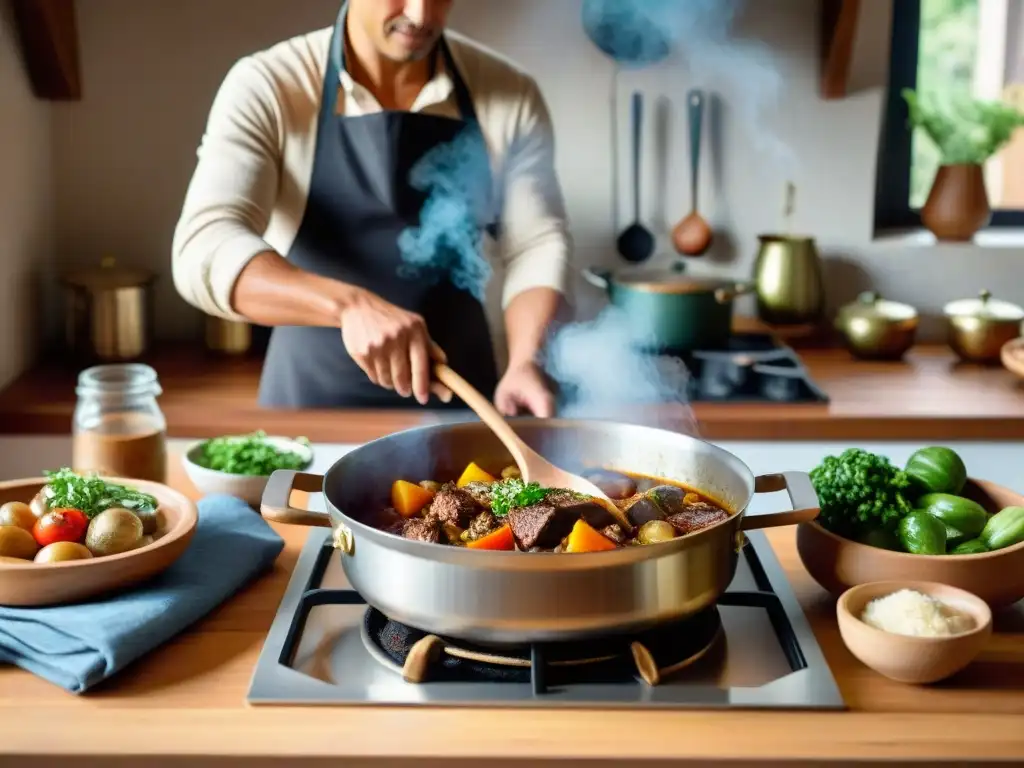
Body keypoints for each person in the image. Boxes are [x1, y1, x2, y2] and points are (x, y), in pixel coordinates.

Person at [172, 0, 571, 416]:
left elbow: (536, 244)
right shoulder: (269, 84)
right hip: (313, 409)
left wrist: (527, 358)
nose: (419, 14)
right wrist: (349, 306)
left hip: (463, 407)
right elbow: (205, 242)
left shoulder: (510, 93)